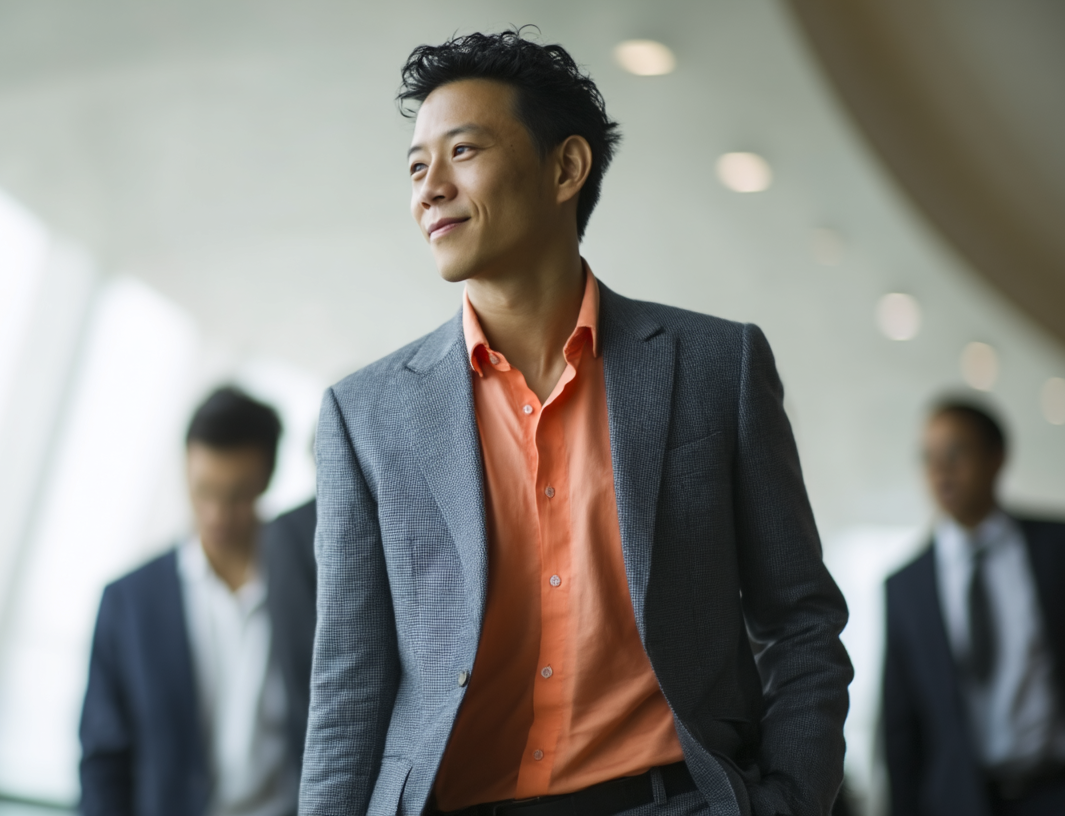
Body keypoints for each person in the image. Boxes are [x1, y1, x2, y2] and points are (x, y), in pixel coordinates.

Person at [301, 29, 852, 816]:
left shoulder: (715, 368)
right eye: (417, 167)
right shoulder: (365, 415)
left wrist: (791, 799)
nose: (430, 189)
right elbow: (347, 685)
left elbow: (799, 620)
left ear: (566, 168)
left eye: (462, 152)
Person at [79, 387, 317, 816]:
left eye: (237, 495)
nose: (217, 514)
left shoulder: (312, 589)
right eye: (203, 491)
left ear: (266, 479)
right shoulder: (129, 603)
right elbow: (104, 760)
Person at [883, 400, 1065, 816]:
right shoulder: (906, 587)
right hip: (963, 804)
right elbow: (901, 725)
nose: (940, 470)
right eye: (928, 457)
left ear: (997, 457)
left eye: (955, 452)